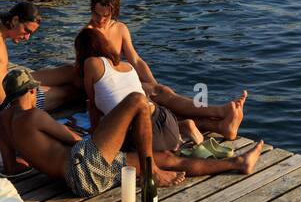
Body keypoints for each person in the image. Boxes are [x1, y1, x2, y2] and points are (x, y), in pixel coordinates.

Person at [79, 27, 263, 177]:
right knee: (158, 106)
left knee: (172, 162)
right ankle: (194, 125)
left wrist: (95, 136)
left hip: (144, 133)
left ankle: (236, 160)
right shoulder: (127, 66)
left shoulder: (91, 63)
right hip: (165, 119)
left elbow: (94, 106)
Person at [84, 0, 246, 139]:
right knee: (155, 107)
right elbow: (90, 76)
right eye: (97, 14)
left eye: (106, 16)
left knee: (162, 91)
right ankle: (218, 120)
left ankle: (220, 117)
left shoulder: (120, 28)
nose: (101, 20)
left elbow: (136, 60)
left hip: (124, 82)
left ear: (114, 13)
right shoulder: (88, 35)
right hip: (109, 89)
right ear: (92, 9)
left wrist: (154, 85)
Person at [0, 69, 182, 198]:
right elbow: (74, 139)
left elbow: (11, 167)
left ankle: (152, 170)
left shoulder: (2, 122)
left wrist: (33, 157)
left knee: (159, 158)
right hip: (83, 169)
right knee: (137, 100)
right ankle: (153, 172)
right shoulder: (34, 115)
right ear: (30, 91)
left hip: (72, 181)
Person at [0, 1, 80, 142]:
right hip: (11, 105)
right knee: (70, 92)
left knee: (69, 71)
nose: (27, 37)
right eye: (27, 31)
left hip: (12, 88)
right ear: (15, 20)